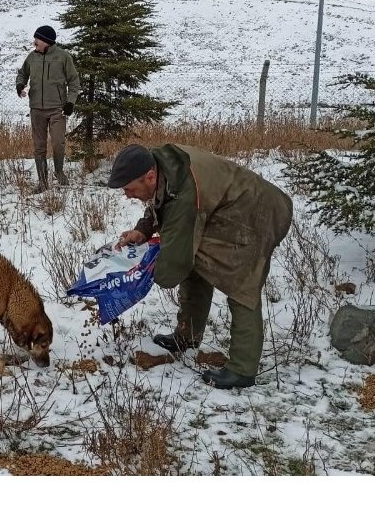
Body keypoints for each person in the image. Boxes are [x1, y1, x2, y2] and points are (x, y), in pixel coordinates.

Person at [108, 143, 293, 389]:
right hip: (227, 208)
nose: (127, 195)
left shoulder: (184, 191)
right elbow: (163, 202)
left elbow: (174, 261)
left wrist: (145, 271)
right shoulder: (164, 167)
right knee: (194, 263)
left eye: (130, 189)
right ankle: (188, 336)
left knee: (242, 284)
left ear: (150, 177)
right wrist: (143, 230)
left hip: (258, 213)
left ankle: (242, 369)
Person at [15, 25, 79, 193]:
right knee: (39, 147)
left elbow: (74, 82)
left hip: (57, 109)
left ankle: (59, 172)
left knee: (58, 142)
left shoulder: (63, 57)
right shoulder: (32, 57)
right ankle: (43, 183)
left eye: (37, 39)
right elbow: (22, 74)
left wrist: (70, 102)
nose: (34, 42)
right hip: (36, 109)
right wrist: (20, 85)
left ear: (46, 41)